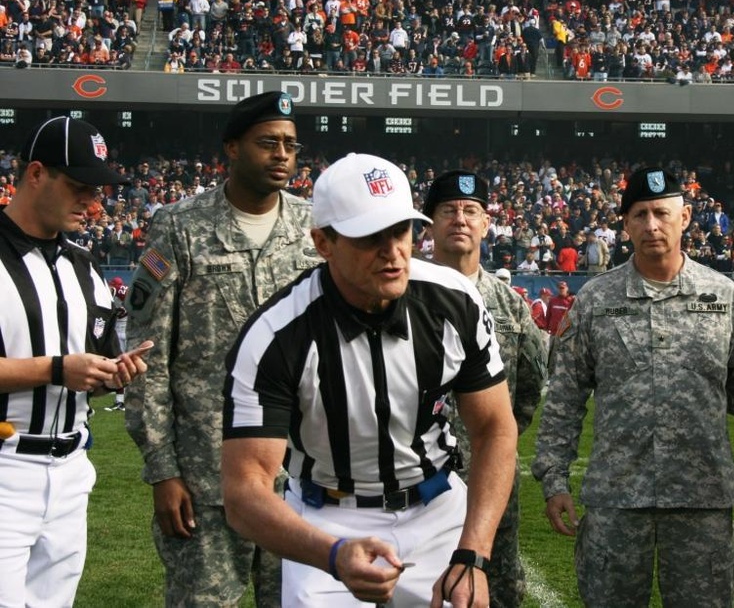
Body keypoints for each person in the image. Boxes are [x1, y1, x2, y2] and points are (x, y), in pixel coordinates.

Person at [220, 153, 518, 607]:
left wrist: (473, 554)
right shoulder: (276, 335)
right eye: (369, 236)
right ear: (323, 242)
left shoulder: (453, 301)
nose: (393, 250)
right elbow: (244, 491)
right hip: (327, 519)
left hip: (437, 509)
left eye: (401, 230)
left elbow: (495, 426)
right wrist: (333, 554)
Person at [532, 167, 734, 607]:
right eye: (640, 215)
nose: (651, 225)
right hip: (616, 502)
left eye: (662, 213)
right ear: (625, 224)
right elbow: (565, 397)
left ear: (684, 217)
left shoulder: (723, 296)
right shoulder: (596, 299)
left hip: (702, 502)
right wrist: (554, 479)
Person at [125, 92, 321, 606]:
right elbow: (147, 357)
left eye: (290, 145)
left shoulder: (314, 228)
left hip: (300, 478)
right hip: (207, 478)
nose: (282, 154)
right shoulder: (180, 226)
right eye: (267, 143)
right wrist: (162, 470)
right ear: (231, 149)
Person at [0, 116, 147, 607]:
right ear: (36, 174)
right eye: (81, 187)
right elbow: (65, 367)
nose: (94, 202)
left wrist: (111, 374)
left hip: (70, 471)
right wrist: (57, 369)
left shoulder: (84, 266)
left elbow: (91, 370)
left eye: (99, 189)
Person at [423, 170, 548, 608]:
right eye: (448, 210)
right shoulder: (404, 294)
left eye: (470, 210)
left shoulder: (510, 305)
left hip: (490, 484)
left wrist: (498, 441)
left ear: (484, 224)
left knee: (493, 594)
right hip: (418, 483)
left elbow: (531, 387)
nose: (460, 218)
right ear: (430, 222)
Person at [104, 276, 130, 412]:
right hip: (123, 330)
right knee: (121, 364)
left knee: (121, 364)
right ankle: (121, 399)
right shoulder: (121, 292)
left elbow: (129, 309)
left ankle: (121, 401)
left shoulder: (121, 291)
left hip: (124, 331)